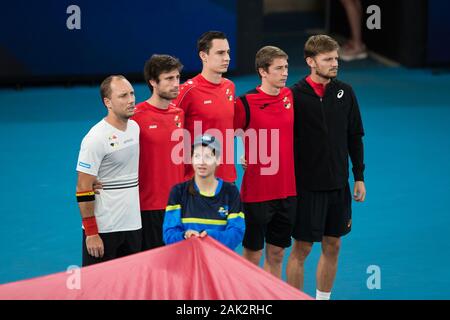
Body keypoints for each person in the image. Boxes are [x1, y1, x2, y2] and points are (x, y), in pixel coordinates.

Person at [286, 35, 366, 300]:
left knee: (333, 245)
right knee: (303, 248)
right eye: (328, 59)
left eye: (336, 58)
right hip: (307, 188)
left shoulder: (346, 92)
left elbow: (354, 135)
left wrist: (359, 177)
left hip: (338, 186)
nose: (335, 63)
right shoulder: (294, 96)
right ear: (311, 62)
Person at [234, 46, 296, 279]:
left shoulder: (289, 96)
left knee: (277, 253)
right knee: (252, 256)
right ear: (263, 71)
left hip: (287, 191)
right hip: (257, 194)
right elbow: (224, 134)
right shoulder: (245, 103)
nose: (284, 73)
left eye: (286, 68)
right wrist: (240, 153)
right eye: (279, 68)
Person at [75, 75, 142, 266]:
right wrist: (91, 232)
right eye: (123, 96)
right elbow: (83, 186)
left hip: (133, 225)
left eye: (132, 93)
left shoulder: (135, 128)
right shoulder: (95, 138)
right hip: (105, 229)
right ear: (108, 102)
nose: (131, 100)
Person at [131, 54, 184, 250]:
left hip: (178, 206)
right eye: (169, 79)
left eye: (177, 77)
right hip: (149, 207)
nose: (176, 83)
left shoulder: (179, 114)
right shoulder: (135, 117)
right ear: (153, 82)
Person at [172, 31, 236, 183]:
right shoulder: (187, 91)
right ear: (203, 56)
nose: (227, 58)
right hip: (198, 181)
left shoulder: (230, 87)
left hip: (228, 179)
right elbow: (171, 133)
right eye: (220, 53)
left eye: (228, 52)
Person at [163, 134, 245, 250]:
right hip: (186, 261)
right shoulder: (178, 191)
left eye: (208, 156)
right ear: (191, 159)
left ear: (218, 160)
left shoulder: (230, 192)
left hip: (218, 262)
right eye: (197, 156)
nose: (202, 162)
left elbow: (236, 233)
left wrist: (210, 236)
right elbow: (169, 234)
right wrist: (185, 235)